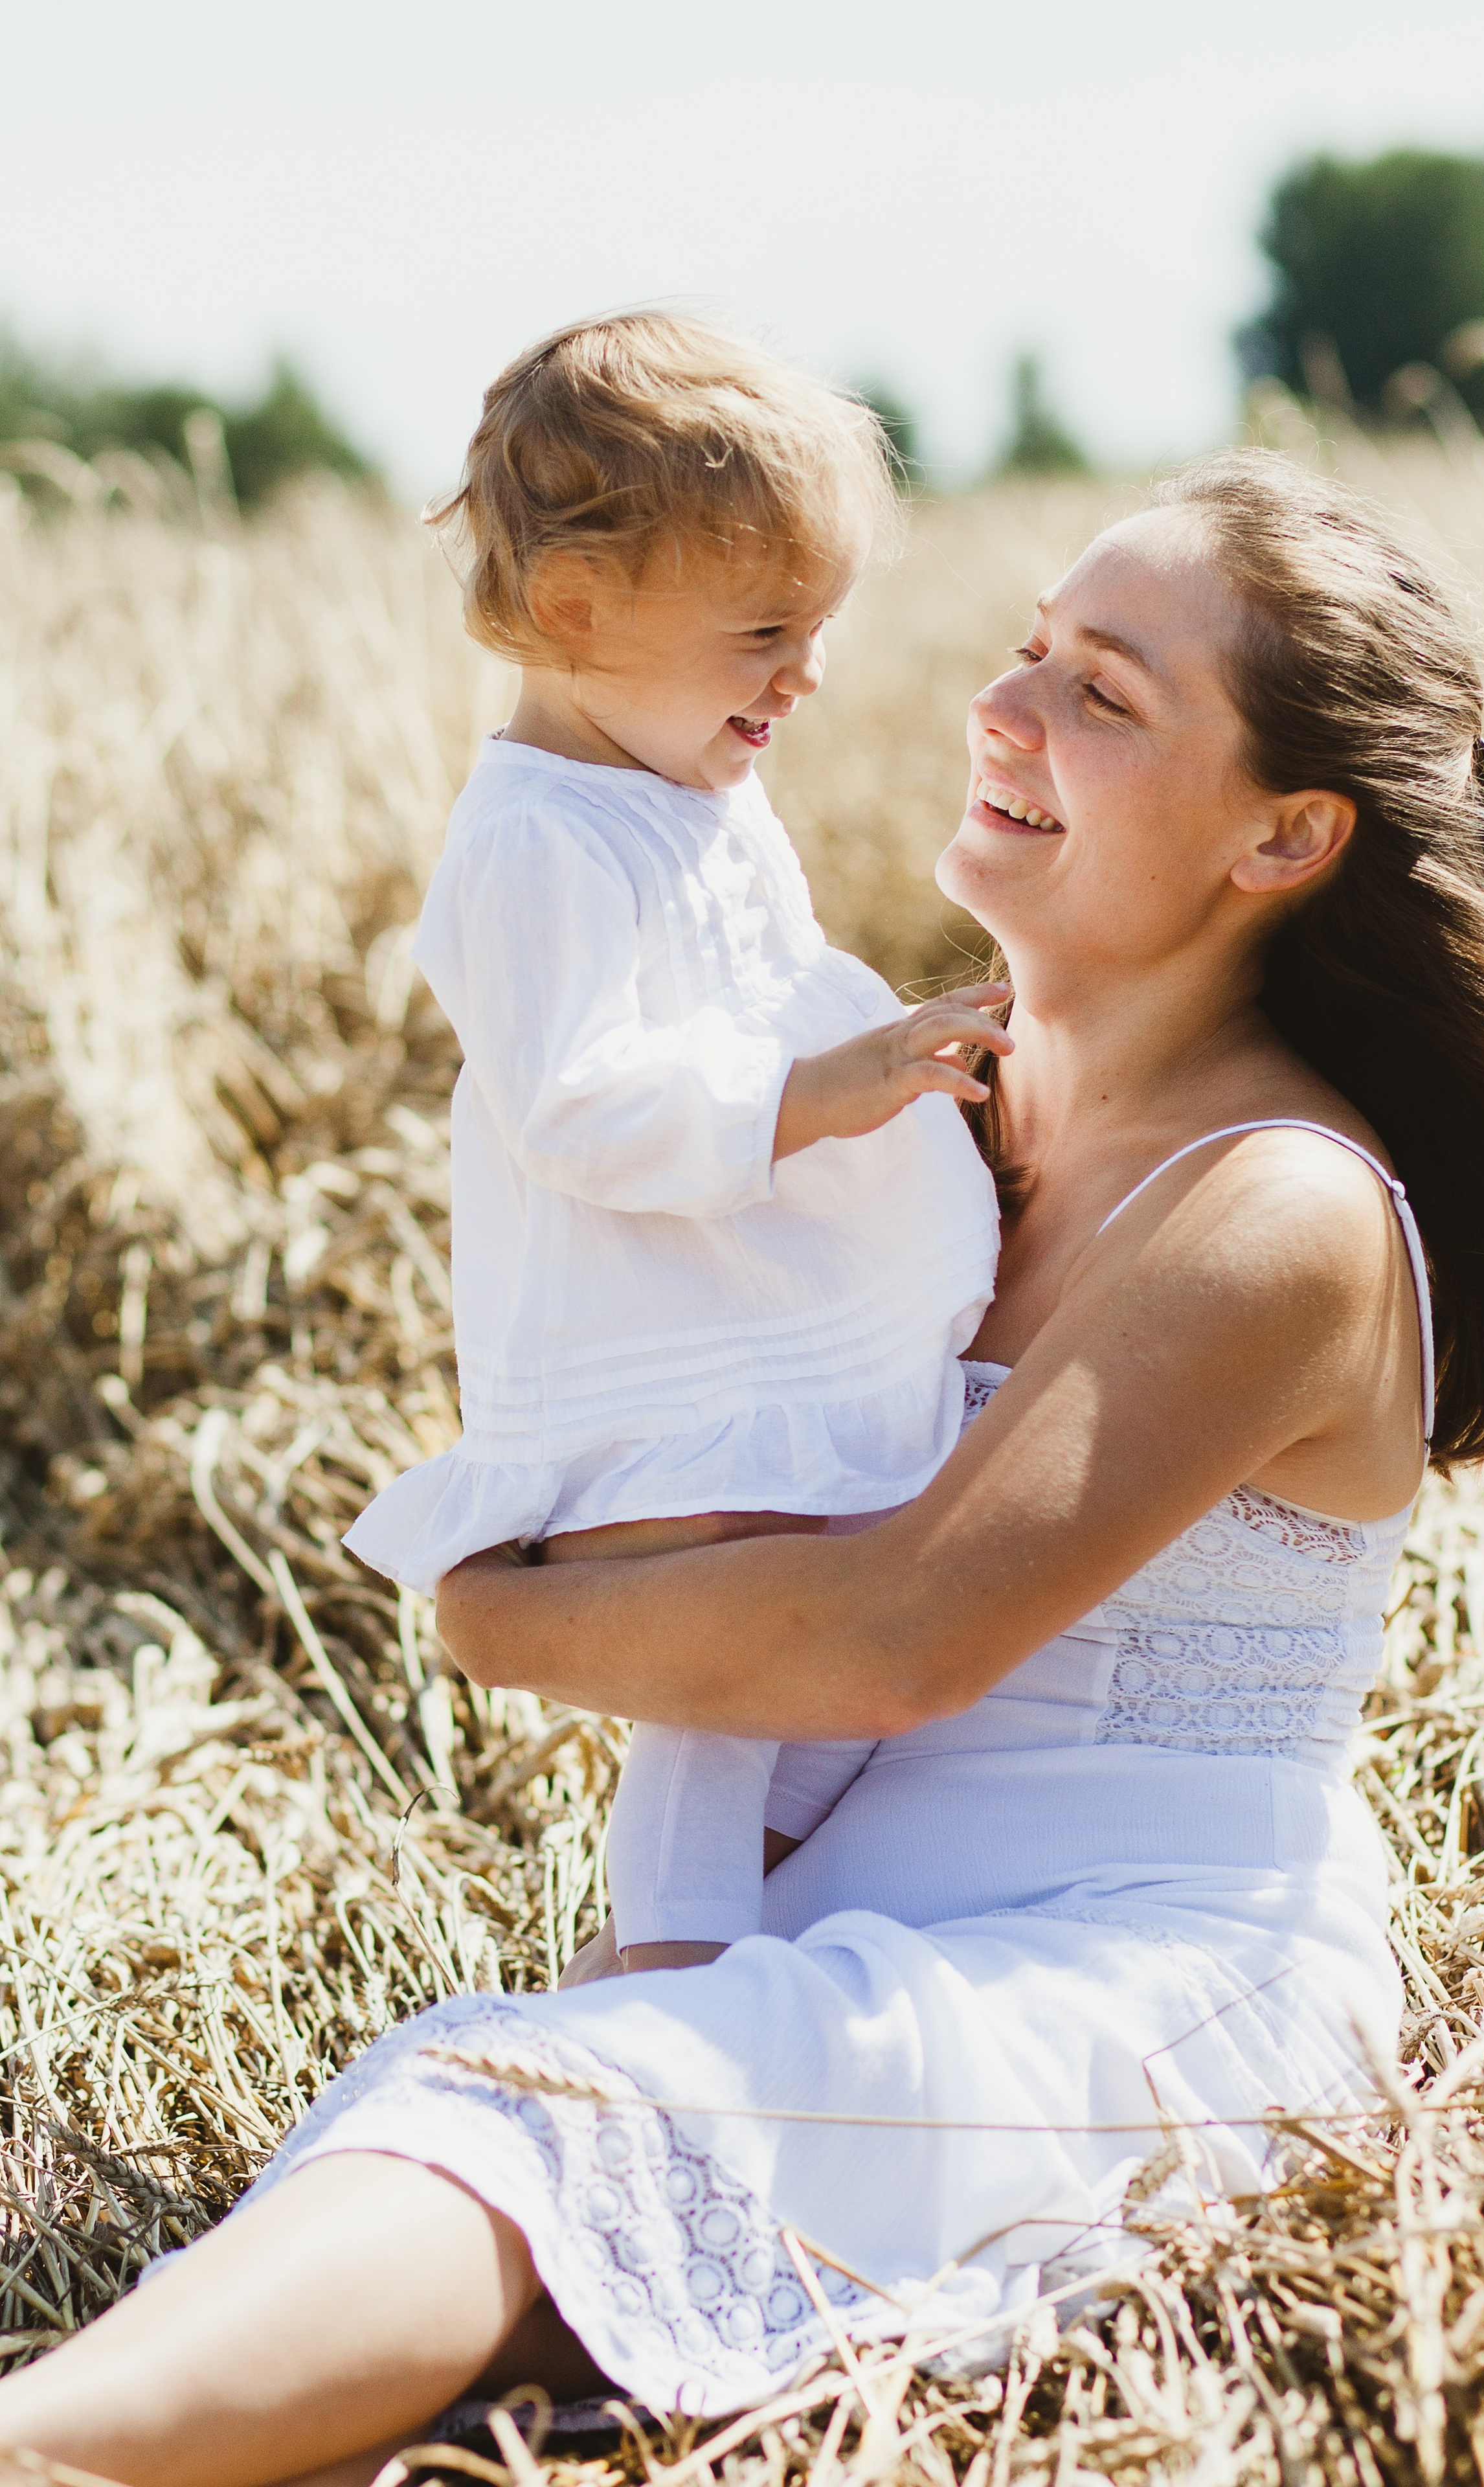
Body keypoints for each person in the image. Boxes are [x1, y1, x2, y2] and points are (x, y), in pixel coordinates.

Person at [2, 449, 1484, 2487]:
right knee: (448, 2106)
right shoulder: (925, 1127)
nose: (1003, 707)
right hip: (847, 1936)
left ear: (1288, 833)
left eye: (1102, 693)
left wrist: (499, 1615)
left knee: (520, 2117)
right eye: (1028, 648)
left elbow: (899, 1635)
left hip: (1139, 1977)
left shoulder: (1280, 1208)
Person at [340, 312, 1003, 1969]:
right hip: (668, 1346)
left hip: (759, 1300)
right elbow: (572, 1101)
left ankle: (744, 1917)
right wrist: (820, 1093)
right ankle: (666, 1960)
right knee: (723, 1688)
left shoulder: (687, 781)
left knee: (818, 1637)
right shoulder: (535, 839)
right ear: (577, 610)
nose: (806, 673)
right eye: (765, 631)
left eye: (820, 625)